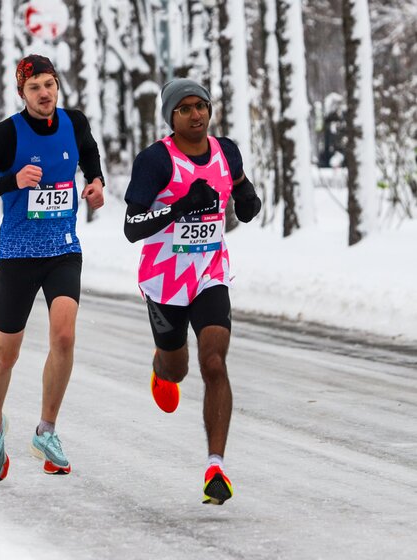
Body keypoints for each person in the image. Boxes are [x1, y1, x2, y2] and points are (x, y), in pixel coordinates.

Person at [0, 54, 105, 481]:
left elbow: (90, 155)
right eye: (35, 87)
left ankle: (46, 430)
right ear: (21, 93)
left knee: (64, 333)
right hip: (18, 254)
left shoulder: (74, 123)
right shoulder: (6, 134)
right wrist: (12, 181)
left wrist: (95, 183)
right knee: (7, 354)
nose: (44, 93)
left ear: (57, 86)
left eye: (49, 84)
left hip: (62, 248)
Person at [123, 78, 261, 505]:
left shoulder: (227, 150)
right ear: (172, 117)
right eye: (185, 109)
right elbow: (132, 228)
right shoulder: (155, 162)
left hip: (209, 273)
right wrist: (180, 206)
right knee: (177, 369)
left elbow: (239, 185)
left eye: (201, 105)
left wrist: (248, 198)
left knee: (214, 362)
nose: (196, 114)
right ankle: (160, 365)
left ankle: (215, 466)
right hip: (165, 278)